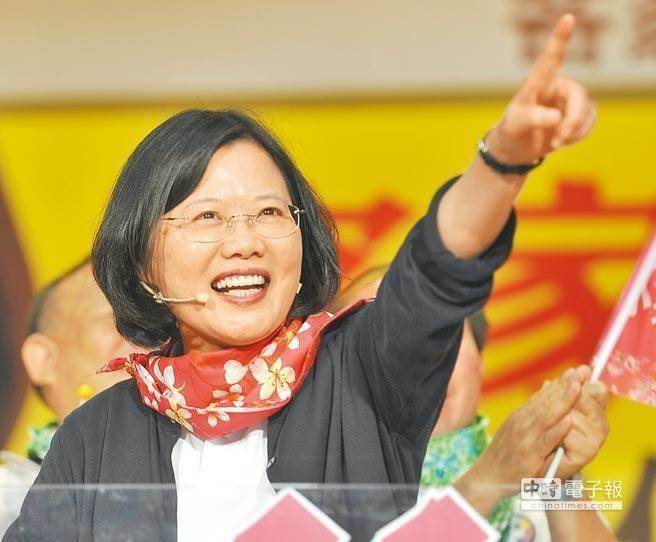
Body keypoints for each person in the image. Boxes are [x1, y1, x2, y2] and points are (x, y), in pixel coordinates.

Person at [5, 15, 598, 541]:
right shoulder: (95, 437)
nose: (245, 242)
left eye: (269, 213)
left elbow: (438, 270)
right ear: (143, 263)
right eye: (208, 217)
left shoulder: (360, 374)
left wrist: (503, 160)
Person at [333, 269, 615, 541]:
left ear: (480, 359)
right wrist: (489, 478)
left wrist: (559, 477)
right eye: (378, 345)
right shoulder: (318, 489)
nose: (418, 371)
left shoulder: (530, 481)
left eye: (440, 339)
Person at [0, 260, 147, 534]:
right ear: (43, 359)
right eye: (120, 318)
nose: (150, 337)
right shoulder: (8, 501)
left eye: (157, 319)